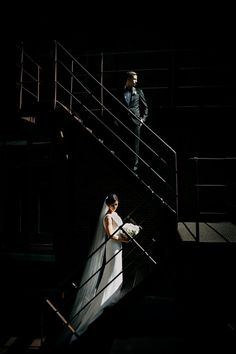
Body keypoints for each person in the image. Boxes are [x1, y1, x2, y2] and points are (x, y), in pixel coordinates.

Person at [69, 193, 131, 341]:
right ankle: (108, 297)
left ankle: (114, 292)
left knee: (118, 269)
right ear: (108, 204)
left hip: (118, 245)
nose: (115, 207)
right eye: (113, 205)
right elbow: (110, 235)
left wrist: (127, 235)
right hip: (113, 245)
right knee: (113, 269)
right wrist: (123, 238)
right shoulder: (107, 217)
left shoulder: (115, 214)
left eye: (116, 204)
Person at [115, 71, 148, 172]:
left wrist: (142, 119)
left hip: (135, 122)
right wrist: (115, 119)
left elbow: (145, 107)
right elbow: (115, 107)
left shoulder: (138, 91)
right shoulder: (120, 91)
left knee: (135, 146)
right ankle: (123, 167)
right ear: (128, 80)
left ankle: (134, 169)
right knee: (123, 144)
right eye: (134, 79)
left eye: (136, 79)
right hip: (123, 122)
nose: (136, 81)